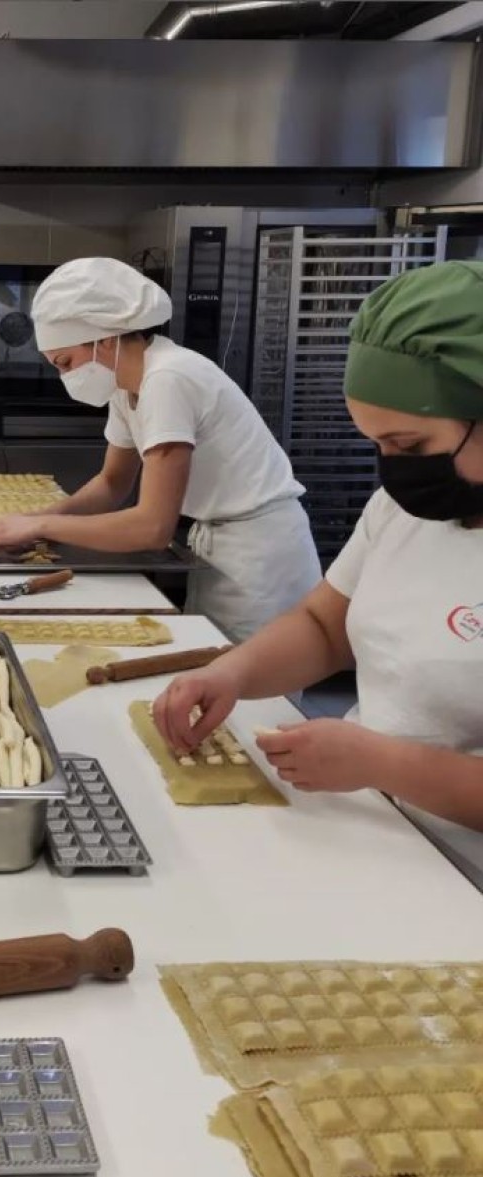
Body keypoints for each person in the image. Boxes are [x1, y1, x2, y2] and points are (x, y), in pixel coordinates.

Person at [153, 260, 483, 842]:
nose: (394, 467)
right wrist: (231, 671)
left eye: (410, 444)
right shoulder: (400, 509)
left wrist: (382, 763)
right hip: (377, 826)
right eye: (378, 444)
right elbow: (324, 627)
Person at [0, 257, 320, 642]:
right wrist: (36, 520)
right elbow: (112, 484)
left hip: (262, 559)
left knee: (251, 695)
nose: (67, 377)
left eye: (66, 362)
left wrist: (44, 526)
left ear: (105, 339)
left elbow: (153, 528)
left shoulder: (168, 378)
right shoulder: (126, 386)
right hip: (223, 546)